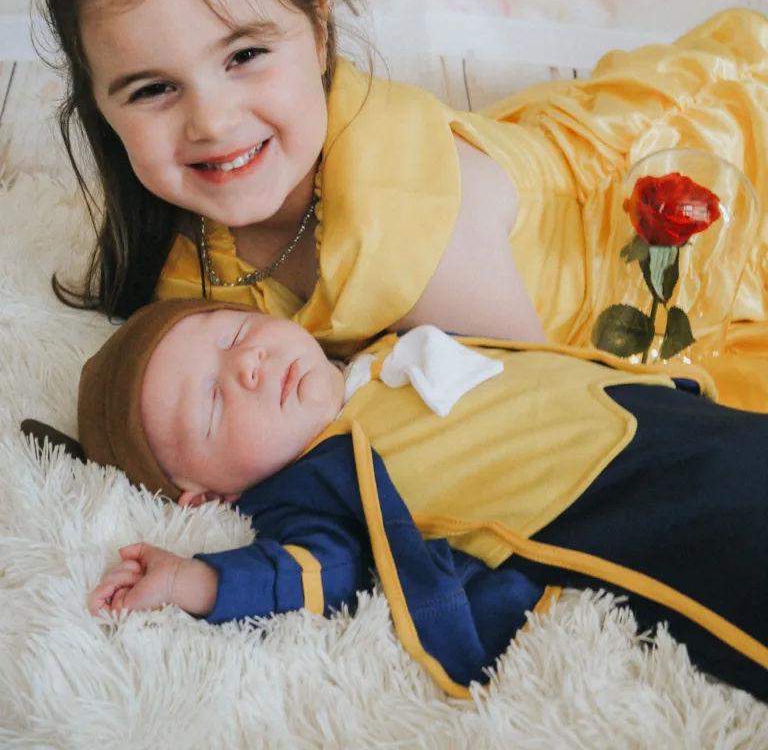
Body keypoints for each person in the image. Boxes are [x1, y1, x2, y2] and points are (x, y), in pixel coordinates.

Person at [44, 0, 768, 406]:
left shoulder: (408, 221)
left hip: (688, 202)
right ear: (99, 109)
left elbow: (555, 425)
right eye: (153, 89)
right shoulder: (190, 263)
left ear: (319, 32)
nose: (212, 120)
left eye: (246, 55)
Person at [66, 299, 768, 702]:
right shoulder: (304, 483)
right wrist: (203, 581)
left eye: (236, 334)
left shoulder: (380, 350)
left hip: (669, 423)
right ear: (207, 495)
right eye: (214, 402)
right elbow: (322, 569)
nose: (247, 365)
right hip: (622, 503)